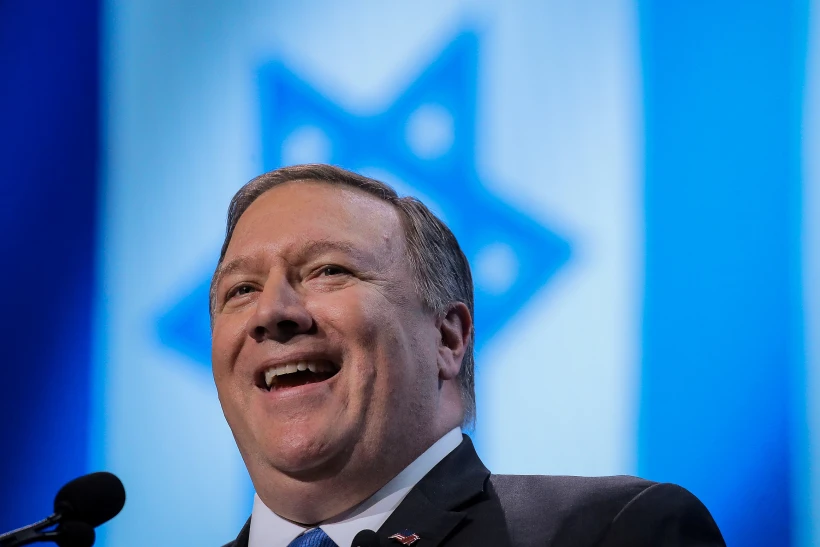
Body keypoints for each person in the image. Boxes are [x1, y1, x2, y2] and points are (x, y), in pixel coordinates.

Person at [210, 164, 725, 547]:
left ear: (447, 340)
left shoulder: (618, 533)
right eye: (241, 290)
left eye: (328, 271)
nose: (271, 312)